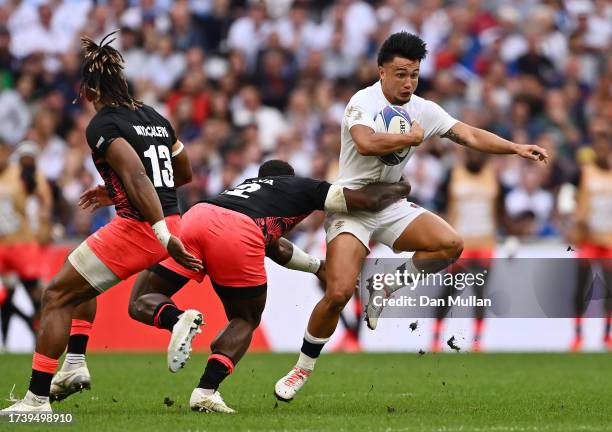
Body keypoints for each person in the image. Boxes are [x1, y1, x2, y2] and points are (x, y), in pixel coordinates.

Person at [274, 31, 548, 401]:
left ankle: (384, 286)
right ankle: (300, 370)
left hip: (389, 204)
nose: (408, 83)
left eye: (415, 75)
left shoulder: (423, 109)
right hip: (352, 207)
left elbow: (466, 133)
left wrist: (515, 148)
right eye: (401, 74)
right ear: (381, 71)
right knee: (338, 291)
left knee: (450, 244)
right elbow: (366, 142)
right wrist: (411, 138)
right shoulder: (362, 101)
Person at [1, 32, 201, 414]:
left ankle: (37, 400)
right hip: (167, 219)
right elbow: (184, 172)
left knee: (56, 295)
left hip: (143, 226)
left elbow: (141, 177)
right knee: (76, 274)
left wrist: (153, 225)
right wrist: (118, 193)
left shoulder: (103, 124)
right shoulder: (154, 117)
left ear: (91, 91)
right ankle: (74, 364)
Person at [127, 159, 411, 413]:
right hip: (238, 232)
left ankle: (175, 319)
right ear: (289, 177)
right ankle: (205, 392)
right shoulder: (298, 187)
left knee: (142, 298)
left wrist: (316, 267)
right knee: (245, 319)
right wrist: (400, 187)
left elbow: (274, 248)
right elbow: (364, 200)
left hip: (198, 216)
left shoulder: (246, 188)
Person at [429, 149, 501, 352]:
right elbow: (439, 204)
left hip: (485, 243)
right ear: (465, 155)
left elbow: (500, 208)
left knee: (480, 294)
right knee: (448, 292)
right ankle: (435, 337)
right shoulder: (453, 174)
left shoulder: (493, 176)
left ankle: (478, 341)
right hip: (459, 244)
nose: (475, 158)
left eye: (480, 155)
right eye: (472, 154)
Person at [0, 140, 52, 348]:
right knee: (6, 296)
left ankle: (43, 333)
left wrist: (44, 222)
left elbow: (44, 196)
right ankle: (7, 340)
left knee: (35, 293)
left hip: (22, 244)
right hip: (2, 247)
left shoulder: (21, 172)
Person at [571, 128, 612, 352]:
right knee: (581, 289)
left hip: (609, 240)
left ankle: (607, 336)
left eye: (605, 147)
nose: (602, 151)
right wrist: (578, 219)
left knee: (610, 290)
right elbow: (577, 201)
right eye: (598, 148)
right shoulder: (586, 173)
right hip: (588, 239)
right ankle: (577, 336)